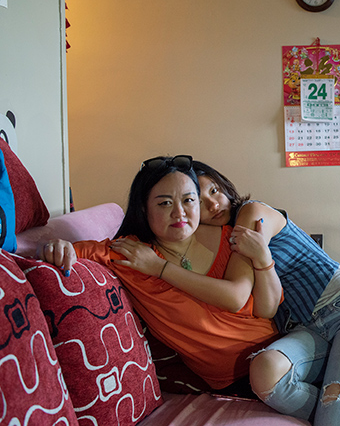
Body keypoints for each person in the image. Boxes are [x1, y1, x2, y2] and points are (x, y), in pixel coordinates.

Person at [38, 155, 282, 391]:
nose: (179, 213)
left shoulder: (232, 237)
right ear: (144, 209)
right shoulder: (131, 254)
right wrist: (56, 245)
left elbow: (255, 305)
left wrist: (161, 268)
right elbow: (70, 250)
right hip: (236, 380)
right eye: (165, 203)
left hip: (278, 352)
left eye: (188, 200)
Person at [193, 160, 340, 426]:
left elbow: (235, 294)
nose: (213, 204)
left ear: (226, 187)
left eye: (214, 191)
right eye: (198, 200)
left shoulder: (251, 213)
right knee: (264, 371)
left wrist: (161, 269)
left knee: (334, 420)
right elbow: (266, 309)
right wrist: (263, 260)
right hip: (304, 329)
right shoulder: (223, 242)